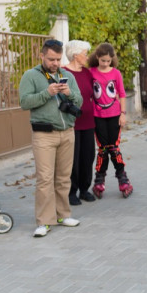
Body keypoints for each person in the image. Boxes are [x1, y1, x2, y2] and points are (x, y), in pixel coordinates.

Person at [19, 39, 83, 238]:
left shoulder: (68, 76)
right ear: (42, 56)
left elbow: (80, 100)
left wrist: (69, 93)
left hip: (67, 132)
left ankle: (63, 215)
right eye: (51, 59)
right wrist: (47, 93)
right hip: (44, 134)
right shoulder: (31, 75)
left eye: (57, 59)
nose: (55, 63)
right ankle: (44, 222)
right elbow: (24, 102)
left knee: (64, 177)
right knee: (45, 179)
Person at [88, 43, 133, 199]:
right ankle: (99, 180)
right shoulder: (91, 72)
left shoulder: (116, 73)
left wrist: (123, 113)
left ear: (111, 59)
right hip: (97, 116)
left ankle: (123, 179)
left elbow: (121, 94)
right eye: (103, 60)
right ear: (97, 58)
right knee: (103, 149)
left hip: (114, 115)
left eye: (108, 61)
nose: (105, 63)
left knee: (114, 148)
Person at [63, 40, 95, 206]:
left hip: (89, 121)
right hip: (72, 123)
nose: (87, 56)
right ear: (76, 55)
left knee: (87, 157)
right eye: (85, 53)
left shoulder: (87, 73)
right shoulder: (63, 72)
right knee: (73, 160)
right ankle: (71, 192)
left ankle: (84, 189)